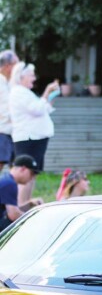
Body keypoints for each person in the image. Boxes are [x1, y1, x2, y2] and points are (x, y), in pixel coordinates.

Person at [9, 62, 59, 205]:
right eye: (31, 75)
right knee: (26, 173)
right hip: (28, 138)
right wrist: (46, 92)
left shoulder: (26, 92)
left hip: (35, 139)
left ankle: (26, 203)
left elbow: (44, 109)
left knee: (32, 173)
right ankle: (21, 205)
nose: (34, 78)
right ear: (21, 77)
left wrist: (52, 96)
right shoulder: (18, 91)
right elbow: (36, 109)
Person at [0, 155, 43, 232]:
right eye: (32, 174)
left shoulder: (6, 179)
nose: (32, 178)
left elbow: (12, 211)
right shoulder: (9, 183)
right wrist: (36, 219)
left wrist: (29, 204)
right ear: (23, 169)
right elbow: (13, 215)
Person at [0, 50, 19, 172]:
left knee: (16, 167)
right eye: (16, 65)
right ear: (8, 66)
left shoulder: (11, 83)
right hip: (2, 130)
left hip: (14, 131)